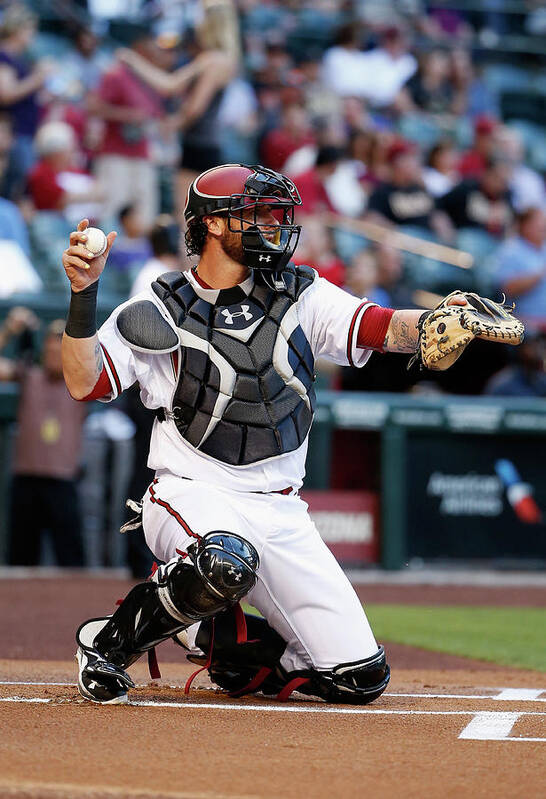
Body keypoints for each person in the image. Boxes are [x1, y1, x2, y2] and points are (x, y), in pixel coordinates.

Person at [61, 163, 469, 706]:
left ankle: (217, 643)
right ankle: (108, 645)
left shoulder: (302, 292)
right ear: (211, 226)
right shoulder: (157, 307)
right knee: (227, 560)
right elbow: (84, 383)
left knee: (359, 679)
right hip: (191, 491)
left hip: (281, 509)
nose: (271, 225)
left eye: (274, 214)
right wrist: (84, 294)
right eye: (253, 214)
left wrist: (438, 322)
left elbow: (381, 326)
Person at [2, 317, 86, 566]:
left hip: (63, 482)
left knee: (71, 560)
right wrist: (9, 329)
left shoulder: (81, 383)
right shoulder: (28, 376)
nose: (55, 350)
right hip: (26, 479)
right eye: (52, 342)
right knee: (21, 558)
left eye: (62, 344)